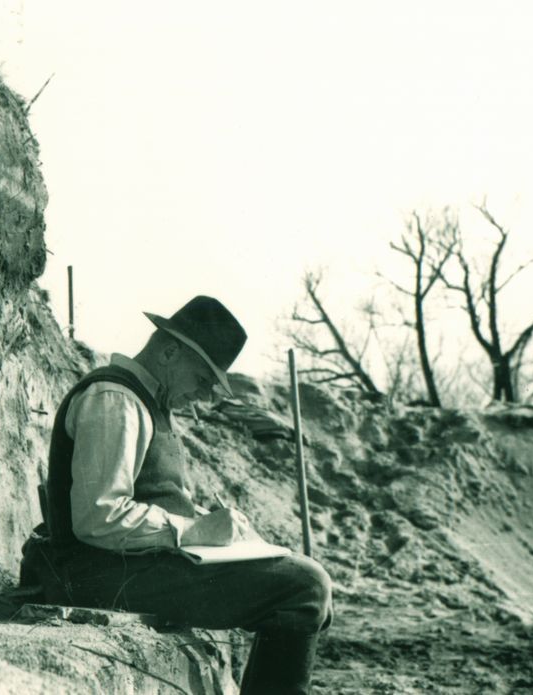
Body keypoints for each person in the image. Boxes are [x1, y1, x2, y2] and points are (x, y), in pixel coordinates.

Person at [20, 296, 333, 694]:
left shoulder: (147, 401)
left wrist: (215, 524)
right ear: (169, 351)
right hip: (91, 572)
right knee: (304, 587)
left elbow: (152, 495)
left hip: (126, 564)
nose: (203, 396)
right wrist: (192, 530)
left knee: (300, 575)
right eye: (203, 380)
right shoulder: (114, 400)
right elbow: (98, 516)